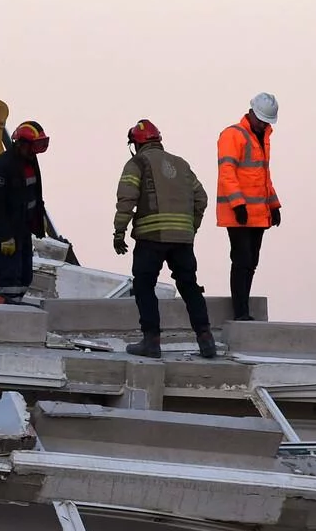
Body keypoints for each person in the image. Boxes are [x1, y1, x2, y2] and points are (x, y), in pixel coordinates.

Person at [114, 120, 217, 359]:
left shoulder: (137, 163)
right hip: (183, 240)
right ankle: (206, 339)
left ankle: (151, 341)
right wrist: (190, 228)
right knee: (189, 286)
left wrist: (119, 232)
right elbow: (201, 198)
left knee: (144, 285)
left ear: (136, 143)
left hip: (151, 237)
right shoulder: (181, 164)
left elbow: (126, 200)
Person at [218, 93, 281, 322]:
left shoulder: (262, 138)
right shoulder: (233, 135)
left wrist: (273, 205)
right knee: (242, 260)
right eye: (262, 120)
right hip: (239, 213)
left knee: (251, 262)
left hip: (258, 214)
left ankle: (243, 309)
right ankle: (240, 312)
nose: (264, 124)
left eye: (267, 121)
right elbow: (227, 172)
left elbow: (263, 177)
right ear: (252, 112)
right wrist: (238, 204)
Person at [0, 121, 51, 300]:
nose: (34, 151)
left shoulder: (29, 162)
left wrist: (39, 215)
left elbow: (35, 193)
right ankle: (7, 315)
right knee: (9, 279)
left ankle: (15, 308)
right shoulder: (1, 166)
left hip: (22, 229)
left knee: (24, 276)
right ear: (20, 143)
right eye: (33, 146)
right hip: (4, 233)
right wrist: (5, 236)